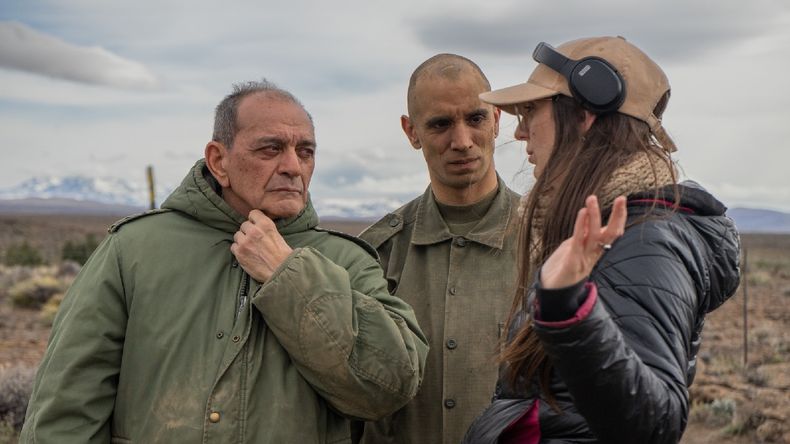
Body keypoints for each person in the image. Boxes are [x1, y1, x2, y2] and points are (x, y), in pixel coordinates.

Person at [20, 80, 429, 443]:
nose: (292, 167)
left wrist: (290, 276)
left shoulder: (346, 260)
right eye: (271, 148)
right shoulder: (135, 249)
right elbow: (68, 404)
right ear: (219, 160)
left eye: (305, 151)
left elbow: (389, 385)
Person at [463, 36, 741, 443]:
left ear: (586, 114)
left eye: (530, 112)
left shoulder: (645, 239)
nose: (520, 132)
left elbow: (653, 424)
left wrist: (568, 309)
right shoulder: (603, 226)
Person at [357, 54, 521, 444]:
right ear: (411, 132)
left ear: (497, 119)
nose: (461, 141)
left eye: (476, 118)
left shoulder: (548, 243)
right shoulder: (377, 254)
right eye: (440, 124)